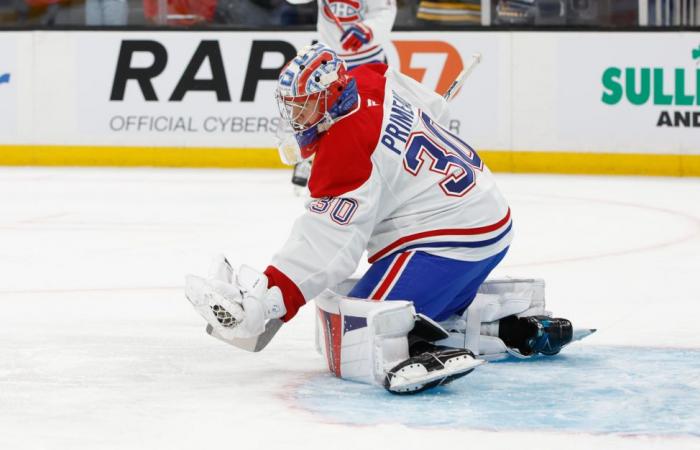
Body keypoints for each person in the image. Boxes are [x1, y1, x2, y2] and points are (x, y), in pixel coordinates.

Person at [185, 43, 574, 394]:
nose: (296, 115)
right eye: (292, 105)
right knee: (361, 315)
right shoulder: (369, 78)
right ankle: (505, 328)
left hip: (450, 239)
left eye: (304, 104)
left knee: (354, 333)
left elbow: (328, 246)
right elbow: (432, 108)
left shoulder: (345, 148)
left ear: (332, 96)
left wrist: (270, 301)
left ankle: (417, 347)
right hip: (486, 219)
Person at [283, 1, 397, 192]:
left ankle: (378, 164)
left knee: (372, 117)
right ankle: (312, 159)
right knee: (317, 113)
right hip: (329, 63)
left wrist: (368, 29)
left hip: (368, 59)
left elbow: (385, 10)